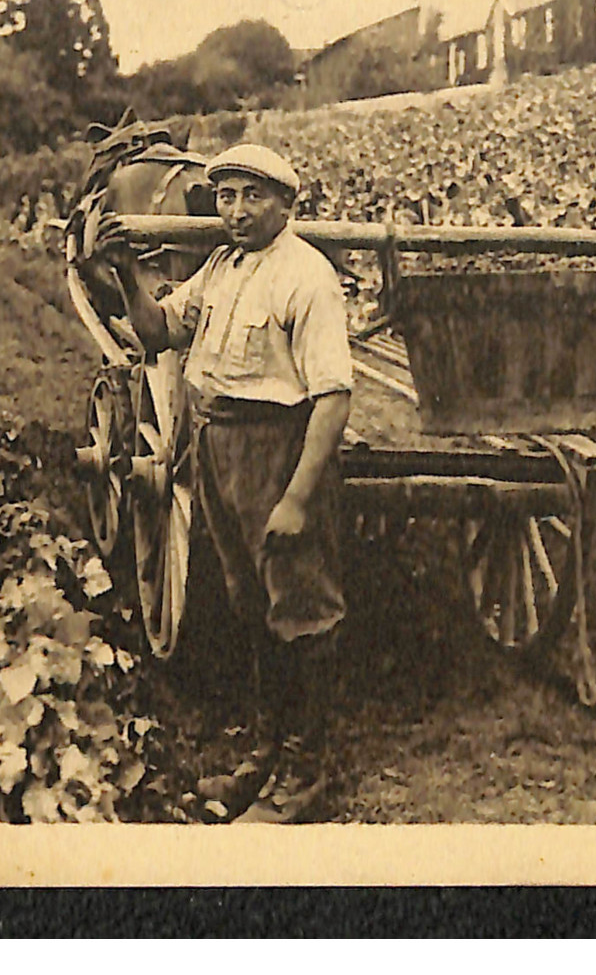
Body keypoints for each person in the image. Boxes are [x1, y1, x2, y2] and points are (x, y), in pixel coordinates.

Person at [94, 143, 353, 812]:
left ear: (287, 205)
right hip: (218, 446)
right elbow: (156, 334)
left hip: (276, 449)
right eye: (227, 197)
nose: (236, 211)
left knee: (302, 607)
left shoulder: (307, 278)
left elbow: (332, 398)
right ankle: (264, 752)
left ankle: (308, 770)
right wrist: (126, 273)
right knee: (251, 603)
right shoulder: (220, 267)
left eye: (253, 197)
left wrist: (296, 498)